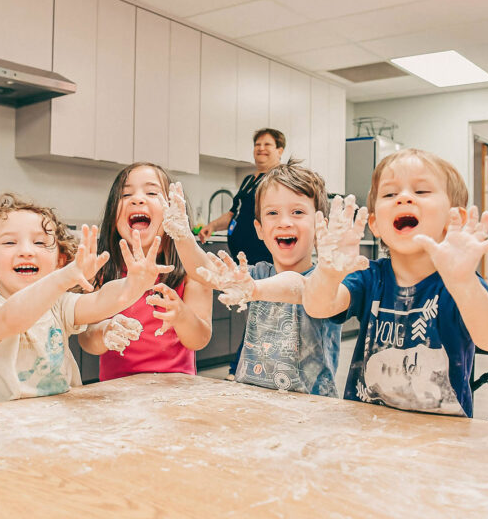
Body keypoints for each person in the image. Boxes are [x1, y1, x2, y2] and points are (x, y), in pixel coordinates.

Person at [302, 149, 488, 417]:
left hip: (442, 440)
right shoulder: (370, 277)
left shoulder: (458, 284)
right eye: (389, 194)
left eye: (421, 191)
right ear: (374, 224)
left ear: (453, 218)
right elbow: (318, 307)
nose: (404, 198)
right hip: (367, 431)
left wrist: (465, 283)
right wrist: (327, 272)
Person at [0, 193, 171, 407]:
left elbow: (100, 302)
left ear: (60, 261)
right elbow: (12, 320)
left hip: (60, 418)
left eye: (40, 242)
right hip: (2, 425)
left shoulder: (59, 305)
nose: (26, 251)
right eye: (9, 242)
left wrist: (132, 285)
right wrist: (62, 279)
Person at [163, 159, 341, 397]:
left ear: (320, 226)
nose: (284, 222)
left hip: (311, 407)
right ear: (259, 229)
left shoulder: (325, 281)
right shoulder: (256, 274)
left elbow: (300, 288)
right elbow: (203, 271)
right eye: (273, 213)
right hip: (252, 399)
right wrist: (183, 235)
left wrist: (255, 288)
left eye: (297, 212)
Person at [78, 163, 213, 379]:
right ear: (113, 217)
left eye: (152, 192)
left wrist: (181, 316)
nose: (137, 199)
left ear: (174, 212)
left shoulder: (192, 270)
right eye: (125, 194)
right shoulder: (101, 269)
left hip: (177, 391)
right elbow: (85, 338)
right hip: (118, 392)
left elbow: (200, 339)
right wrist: (104, 332)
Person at [198, 128, 286, 264]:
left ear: (280, 150)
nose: (261, 148)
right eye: (257, 144)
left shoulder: (280, 179)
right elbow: (234, 213)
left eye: (267, 144)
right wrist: (213, 226)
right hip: (243, 260)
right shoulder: (249, 180)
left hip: (265, 259)